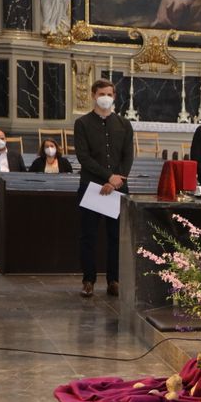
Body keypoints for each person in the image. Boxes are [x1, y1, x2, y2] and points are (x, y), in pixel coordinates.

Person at [74, 79, 133, 298]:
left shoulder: (124, 124)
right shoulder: (82, 124)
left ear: (114, 96)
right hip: (92, 188)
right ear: (93, 95)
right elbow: (84, 157)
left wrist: (117, 180)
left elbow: (128, 156)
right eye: (101, 93)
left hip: (117, 188)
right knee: (88, 236)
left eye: (109, 94)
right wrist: (107, 177)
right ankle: (88, 280)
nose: (105, 97)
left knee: (116, 237)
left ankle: (114, 280)